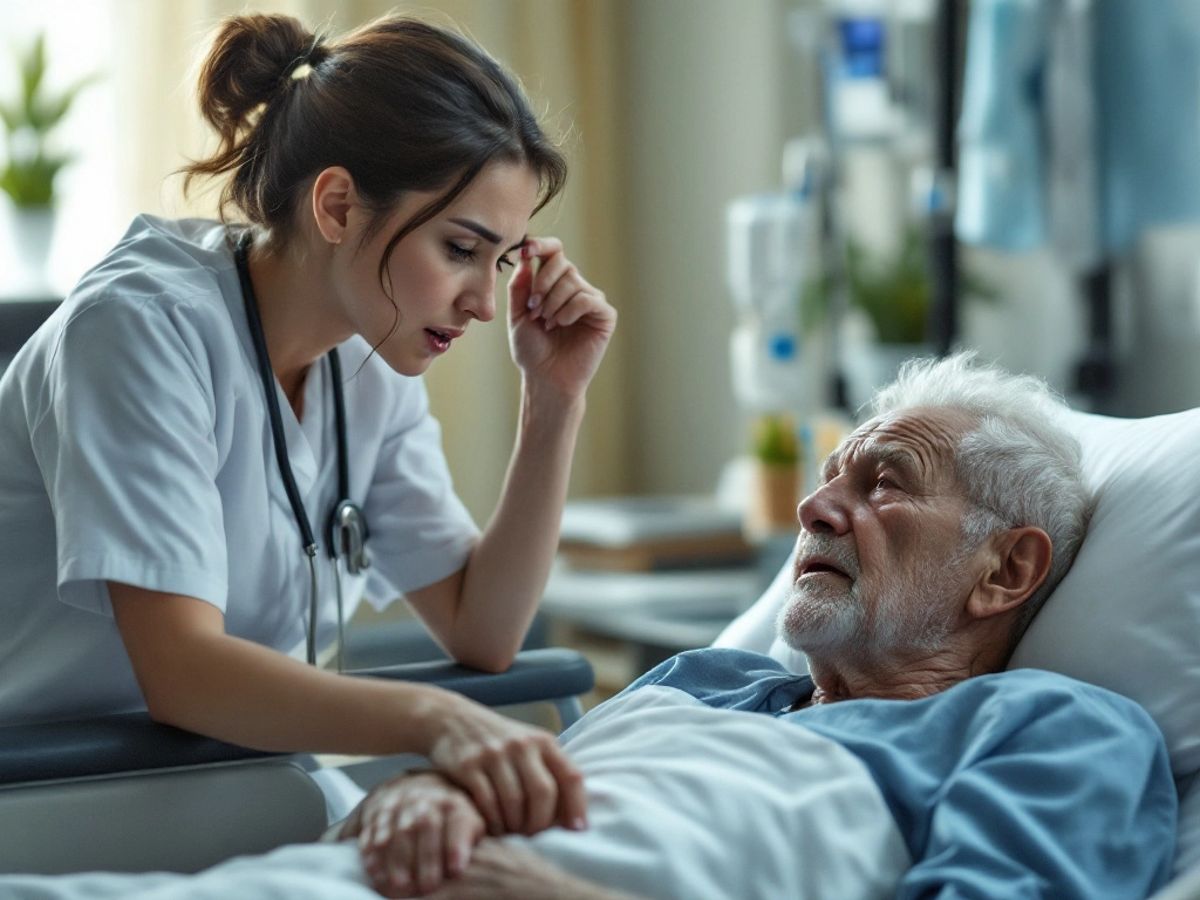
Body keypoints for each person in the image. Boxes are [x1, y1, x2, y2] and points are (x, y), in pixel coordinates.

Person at [0, 12, 616, 833]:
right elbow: (183, 672)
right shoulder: (140, 329)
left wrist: (554, 400)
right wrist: (435, 720)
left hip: (227, 786)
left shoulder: (370, 361)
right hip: (55, 796)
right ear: (337, 206)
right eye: (461, 249)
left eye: (502, 260)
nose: (482, 302)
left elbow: (483, 630)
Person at [337, 353, 1177, 899]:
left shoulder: (1051, 733)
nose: (814, 509)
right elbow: (527, 790)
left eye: (885, 483)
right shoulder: (699, 679)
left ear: (1005, 572)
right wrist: (420, 795)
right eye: (829, 479)